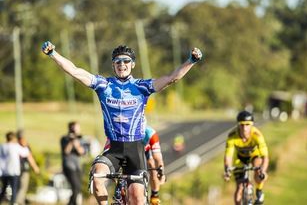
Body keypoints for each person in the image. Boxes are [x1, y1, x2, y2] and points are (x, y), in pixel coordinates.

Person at [42, 41, 202, 205]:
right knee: (97, 178)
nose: (122, 64)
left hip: (135, 150)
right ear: (113, 65)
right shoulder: (104, 85)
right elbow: (75, 71)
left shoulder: (142, 86)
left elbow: (171, 78)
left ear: (132, 64)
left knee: (138, 199)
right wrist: (53, 54)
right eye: (118, 61)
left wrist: (191, 61)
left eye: (126, 61)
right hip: (114, 149)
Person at [223, 111, 269, 205]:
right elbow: (228, 156)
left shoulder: (257, 135)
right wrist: (227, 170)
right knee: (239, 189)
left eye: (247, 125)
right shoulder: (232, 136)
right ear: (238, 125)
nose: (244, 128)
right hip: (240, 158)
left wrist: (263, 171)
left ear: (252, 125)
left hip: (254, 156)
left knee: (258, 168)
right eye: (242, 125)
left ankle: (259, 191)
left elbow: (265, 157)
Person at [0, 132, 30, 205]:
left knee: (4, 189)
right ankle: (13, 203)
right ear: (13, 138)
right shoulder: (15, 146)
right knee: (14, 189)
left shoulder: (2, 146)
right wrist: (25, 146)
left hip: (4, 172)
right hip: (14, 171)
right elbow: (25, 153)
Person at [60, 121, 86, 205]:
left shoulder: (80, 139)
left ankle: (71, 203)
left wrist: (76, 142)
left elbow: (82, 152)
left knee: (78, 188)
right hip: (68, 165)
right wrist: (71, 141)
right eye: (76, 127)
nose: (78, 129)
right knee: (75, 187)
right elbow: (66, 151)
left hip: (77, 166)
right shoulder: (64, 138)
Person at [16, 130, 40, 205]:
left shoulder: (14, 145)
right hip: (23, 169)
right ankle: (18, 202)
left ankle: (20, 201)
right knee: (22, 187)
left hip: (15, 170)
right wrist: (35, 167)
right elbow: (29, 157)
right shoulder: (24, 146)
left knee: (19, 187)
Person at [142, 126, 165, 205]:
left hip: (145, 151)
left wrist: (161, 173)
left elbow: (158, 158)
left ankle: (155, 195)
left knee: (152, 165)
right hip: (130, 150)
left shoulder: (150, 133)